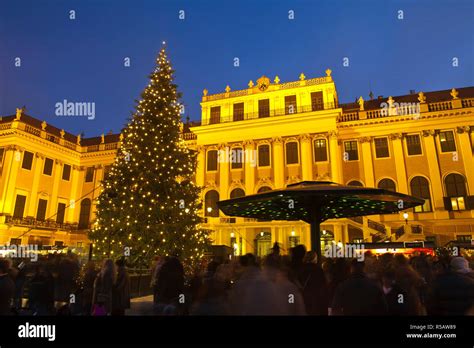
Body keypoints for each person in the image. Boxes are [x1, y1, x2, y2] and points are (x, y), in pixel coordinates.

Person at [289, 246, 328, 315]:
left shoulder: (299, 270)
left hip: (303, 301)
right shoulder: (318, 270)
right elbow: (323, 289)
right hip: (315, 303)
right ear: (314, 259)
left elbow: (292, 291)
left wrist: (291, 303)